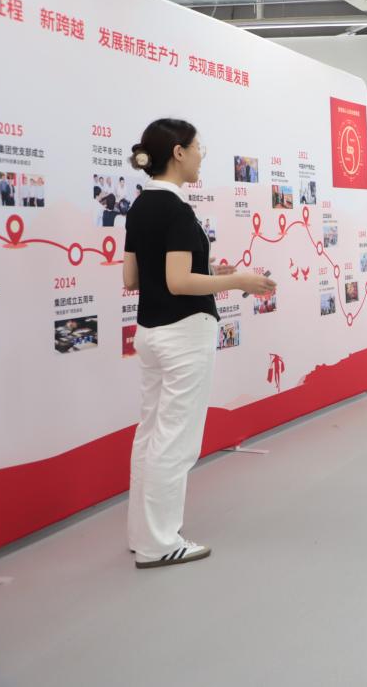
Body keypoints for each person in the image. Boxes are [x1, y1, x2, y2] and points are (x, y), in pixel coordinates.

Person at [122, 118, 276, 569]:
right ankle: (158, 543)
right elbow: (177, 281)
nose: (201, 154)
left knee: (151, 434)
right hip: (183, 334)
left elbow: (133, 278)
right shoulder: (176, 210)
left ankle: (143, 535)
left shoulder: (140, 206)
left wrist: (210, 273)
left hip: (151, 333)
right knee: (175, 440)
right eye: (197, 147)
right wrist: (239, 280)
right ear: (178, 153)